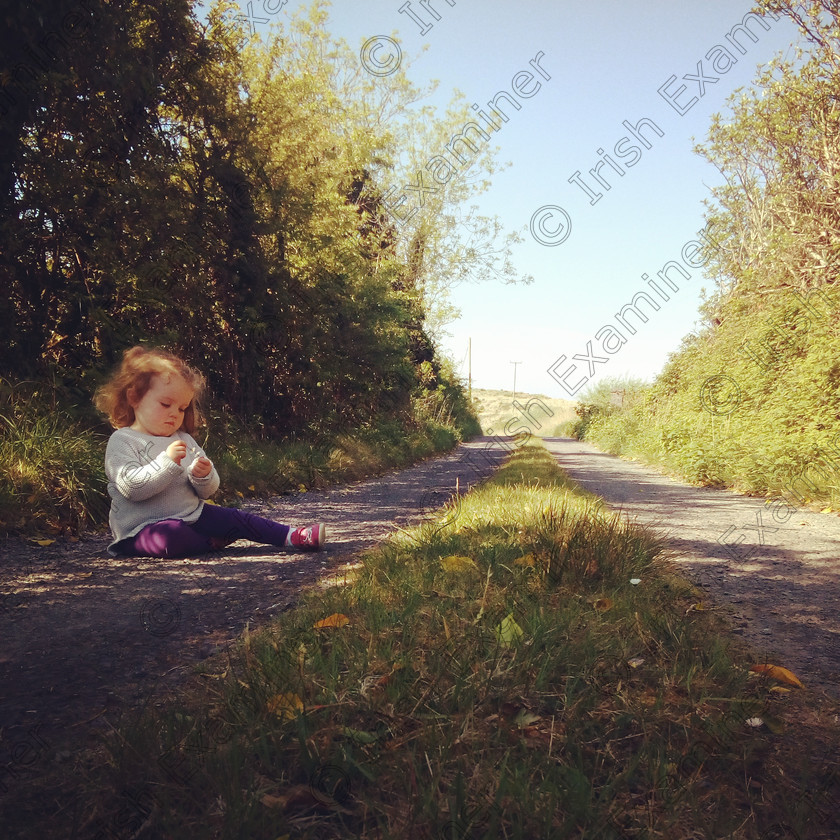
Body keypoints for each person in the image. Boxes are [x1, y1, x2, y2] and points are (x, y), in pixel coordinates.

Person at [94, 345, 325, 558]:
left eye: (182, 408)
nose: (175, 413)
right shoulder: (123, 440)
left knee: (235, 517)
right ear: (134, 397)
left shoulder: (183, 439)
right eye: (166, 404)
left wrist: (203, 476)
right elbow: (131, 488)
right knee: (171, 537)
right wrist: (167, 462)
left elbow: (207, 491)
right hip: (140, 530)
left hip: (192, 516)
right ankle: (211, 542)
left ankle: (293, 536)